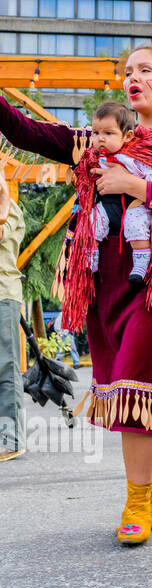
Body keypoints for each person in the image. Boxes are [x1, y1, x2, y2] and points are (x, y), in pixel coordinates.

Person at [0, 41, 152, 543]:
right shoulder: (102, 138)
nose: (133, 77)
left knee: (133, 385)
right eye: (128, 71)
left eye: (146, 70)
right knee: (133, 396)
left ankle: (136, 504)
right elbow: (28, 131)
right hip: (105, 285)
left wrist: (135, 186)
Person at [81, 101, 152, 285]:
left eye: (108, 133)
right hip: (107, 203)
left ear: (127, 136)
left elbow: (150, 172)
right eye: (96, 133)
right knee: (92, 224)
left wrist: (150, 186)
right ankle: (91, 261)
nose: (100, 139)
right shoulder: (95, 156)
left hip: (133, 203)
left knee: (136, 227)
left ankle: (140, 264)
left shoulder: (134, 156)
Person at [0, 184, 25, 462]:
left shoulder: (10, 209)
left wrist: (5, 193)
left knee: (6, 367)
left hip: (3, 295)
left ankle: (11, 439)